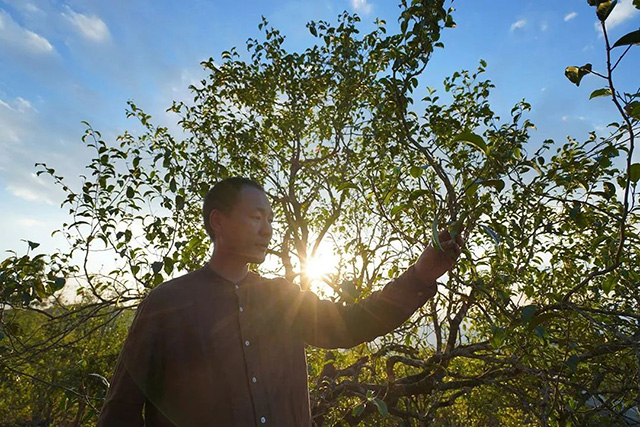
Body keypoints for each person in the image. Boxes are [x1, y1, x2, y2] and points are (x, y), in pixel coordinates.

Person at [97, 177, 463, 427]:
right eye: (256, 217)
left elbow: (352, 323)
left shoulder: (282, 296)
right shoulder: (168, 302)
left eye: (270, 219)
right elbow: (122, 409)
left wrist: (420, 275)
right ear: (218, 222)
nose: (268, 229)